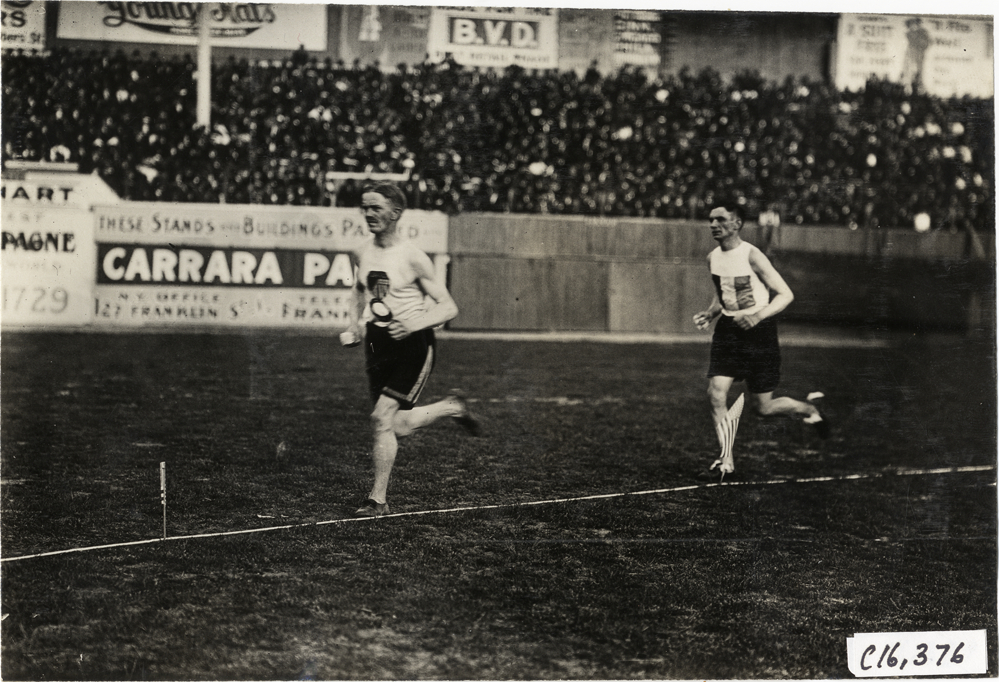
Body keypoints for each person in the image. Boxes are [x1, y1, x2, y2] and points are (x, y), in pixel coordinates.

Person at [344, 182, 481, 517]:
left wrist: (414, 325)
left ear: (396, 213)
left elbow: (448, 308)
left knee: (380, 419)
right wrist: (354, 325)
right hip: (378, 344)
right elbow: (358, 291)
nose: (369, 213)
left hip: (413, 345)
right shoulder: (361, 251)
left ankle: (378, 500)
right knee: (399, 425)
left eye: (376, 207)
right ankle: (453, 407)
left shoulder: (413, 257)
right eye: (366, 207)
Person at [693, 201, 829, 480]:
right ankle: (726, 459)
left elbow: (785, 294)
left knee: (763, 407)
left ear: (736, 223)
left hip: (760, 333)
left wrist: (757, 317)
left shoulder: (752, 255)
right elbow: (723, 292)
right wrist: (710, 313)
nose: (713, 225)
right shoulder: (712, 258)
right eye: (710, 220)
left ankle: (809, 409)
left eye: (720, 219)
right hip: (729, 331)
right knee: (716, 393)